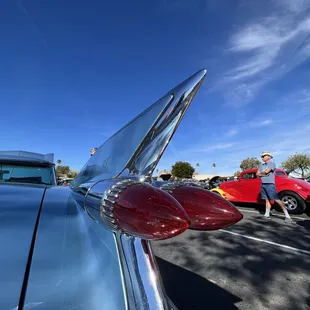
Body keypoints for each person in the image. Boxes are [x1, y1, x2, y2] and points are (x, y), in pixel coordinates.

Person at [256, 151, 293, 222]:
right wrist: (263, 174)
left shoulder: (272, 164)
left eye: (263, 156)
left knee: (276, 200)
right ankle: (267, 215)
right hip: (263, 184)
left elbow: (267, 172)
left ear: (268, 157)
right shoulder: (261, 165)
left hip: (270, 184)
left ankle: (287, 216)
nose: (262, 158)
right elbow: (257, 174)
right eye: (262, 156)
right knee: (266, 200)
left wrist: (262, 173)